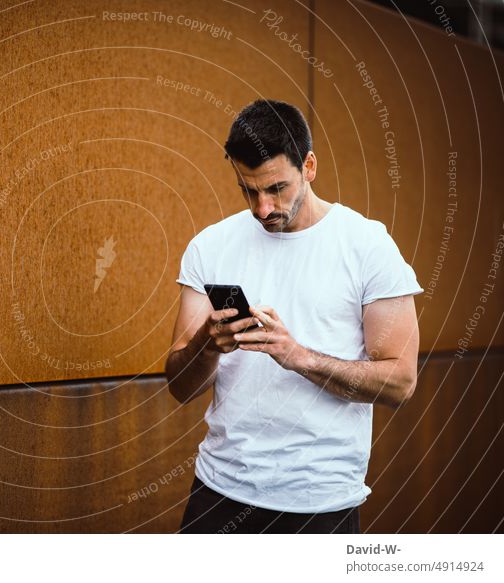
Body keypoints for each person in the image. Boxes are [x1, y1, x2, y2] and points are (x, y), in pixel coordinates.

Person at [166, 99, 423, 534]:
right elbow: (179, 386)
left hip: (320, 501)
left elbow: (400, 382)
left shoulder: (368, 246)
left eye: (277, 189)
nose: (263, 208)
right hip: (218, 492)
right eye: (249, 190)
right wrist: (205, 345)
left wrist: (297, 356)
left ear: (309, 166)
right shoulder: (210, 247)